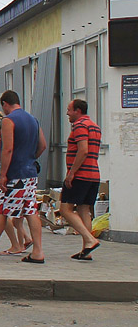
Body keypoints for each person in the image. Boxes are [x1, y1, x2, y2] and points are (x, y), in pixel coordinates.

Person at [0, 90, 47, 263]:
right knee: (30, 210)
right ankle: (38, 251)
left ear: (5, 104)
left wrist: (3, 174)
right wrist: (30, 158)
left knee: (2, 210)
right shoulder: (33, 120)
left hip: (15, 174)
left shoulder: (9, 120)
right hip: (30, 173)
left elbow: (8, 149)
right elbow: (43, 145)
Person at [61, 99, 103, 261]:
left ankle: (90, 240)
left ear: (77, 111)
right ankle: (87, 249)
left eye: (69, 110)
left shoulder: (79, 126)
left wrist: (71, 173)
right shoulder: (95, 126)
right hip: (93, 174)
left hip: (80, 175)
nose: (67, 113)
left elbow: (83, 150)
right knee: (84, 210)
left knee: (65, 209)